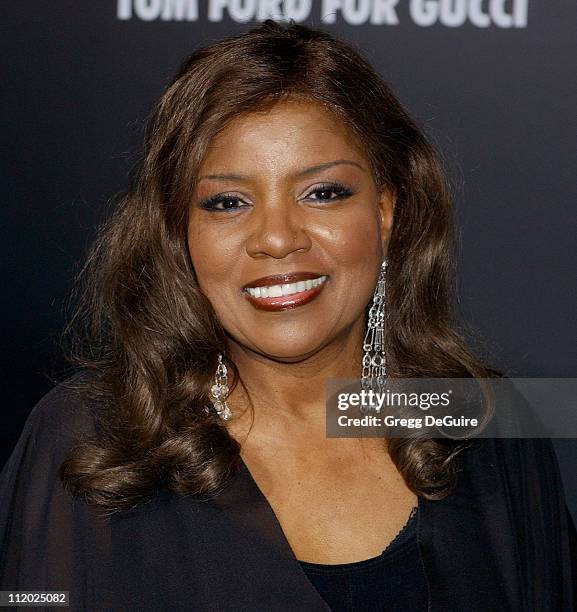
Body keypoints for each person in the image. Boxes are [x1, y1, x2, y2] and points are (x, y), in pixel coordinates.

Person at [1, 20, 575, 612]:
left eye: (322, 192)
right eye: (228, 202)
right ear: (180, 233)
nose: (276, 238)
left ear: (386, 210)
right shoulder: (91, 441)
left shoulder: (486, 426)